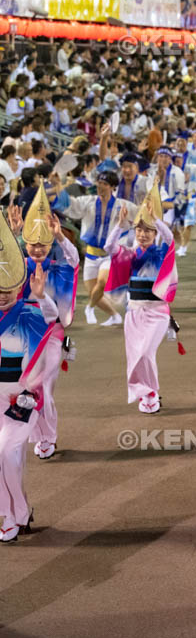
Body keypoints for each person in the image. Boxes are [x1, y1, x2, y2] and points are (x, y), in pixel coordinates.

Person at [7, 190, 78, 461]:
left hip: (50, 334)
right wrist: (13, 236)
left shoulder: (59, 268)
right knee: (22, 388)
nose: (37, 249)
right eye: (32, 244)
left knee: (41, 387)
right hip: (19, 335)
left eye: (43, 244)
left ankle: (48, 437)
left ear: (50, 246)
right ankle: (37, 435)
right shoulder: (19, 267)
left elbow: (74, 260)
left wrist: (60, 235)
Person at [0, 219, 56, 542]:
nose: (4, 295)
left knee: (7, 452)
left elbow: (52, 323)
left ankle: (13, 514)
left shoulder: (28, 314)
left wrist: (42, 297)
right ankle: (15, 514)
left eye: (8, 289)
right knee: (6, 459)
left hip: (20, 401)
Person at [102, 187, 178, 414]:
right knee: (135, 356)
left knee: (145, 352)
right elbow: (108, 247)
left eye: (148, 230)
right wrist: (119, 224)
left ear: (155, 234)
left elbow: (170, 238)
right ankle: (148, 393)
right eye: (139, 230)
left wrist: (156, 218)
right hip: (134, 312)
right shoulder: (130, 255)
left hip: (157, 312)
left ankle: (151, 390)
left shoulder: (162, 252)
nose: (143, 234)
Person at [63, 170, 137, 327]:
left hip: (108, 255)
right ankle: (114, 315)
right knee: (92, 292)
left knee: (102, 283)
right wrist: (57, 187)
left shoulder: (122, 206)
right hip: (90, 254)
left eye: (104, 184)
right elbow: (70, 204)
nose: (100, 187)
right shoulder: (88, 201)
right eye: (99, 183)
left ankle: (88, 308)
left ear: (112, 187)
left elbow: (141, 214)